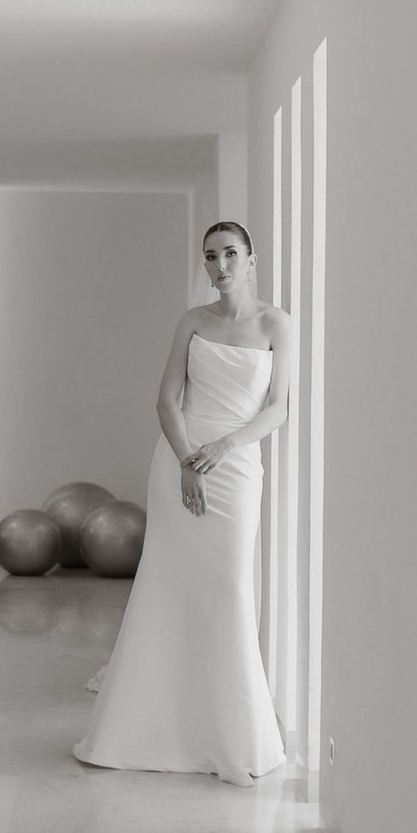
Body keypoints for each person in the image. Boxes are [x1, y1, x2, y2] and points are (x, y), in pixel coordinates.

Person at [73, 221, 293, 785]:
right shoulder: (192, 321)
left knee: (229, 588)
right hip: (180, 460)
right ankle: (149, 728)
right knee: (168, 585)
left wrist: (223, 447)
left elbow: (278, 408)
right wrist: (187, 461)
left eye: (231, 254)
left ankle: (229, 733)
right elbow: (166, 399)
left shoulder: (277, 324)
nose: (220, 266)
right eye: (211, 256)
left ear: (251, 259)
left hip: (236, 467)